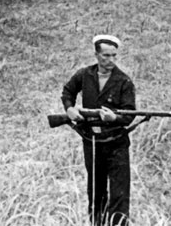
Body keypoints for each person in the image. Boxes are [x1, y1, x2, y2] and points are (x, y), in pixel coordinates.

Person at [61, 35, 136, 226]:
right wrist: (70, 109)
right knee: (96, 189)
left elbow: (129, 114)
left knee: (119, 193)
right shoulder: (84, 75)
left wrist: (114, 118)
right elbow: (68, 92)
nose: (110, 60)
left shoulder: (123, 81)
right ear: (96, 55)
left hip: (116, 142)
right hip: (92, 142)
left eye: (114, 56)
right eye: (106, 56)